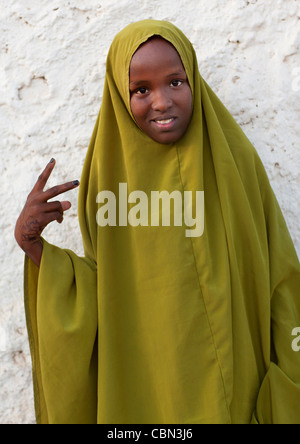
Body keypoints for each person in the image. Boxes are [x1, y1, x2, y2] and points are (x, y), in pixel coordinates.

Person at [15, 19, 300, 424]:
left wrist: (289, 379)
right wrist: (34, 245)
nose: (162, 101)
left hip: (237, 390)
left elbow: (279, 272)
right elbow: (103, 288)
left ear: (194, 81)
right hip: (143, 387)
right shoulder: (107, 180)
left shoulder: (234, 163)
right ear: (119, 93)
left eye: (175, 82)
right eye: (141, 90)